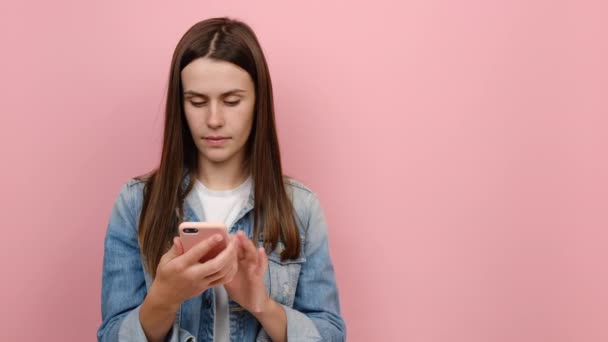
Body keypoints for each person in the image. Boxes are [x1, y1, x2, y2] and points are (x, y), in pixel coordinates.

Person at [97, 17, 346, 342]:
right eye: (197, 102)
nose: (214, 120)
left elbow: (330, 334)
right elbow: (112, 336)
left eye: (232, 101)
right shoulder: (135, 203)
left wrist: (260, 304)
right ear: (180, 104)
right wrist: (164, 299)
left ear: (258, 102)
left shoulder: (301, 207)